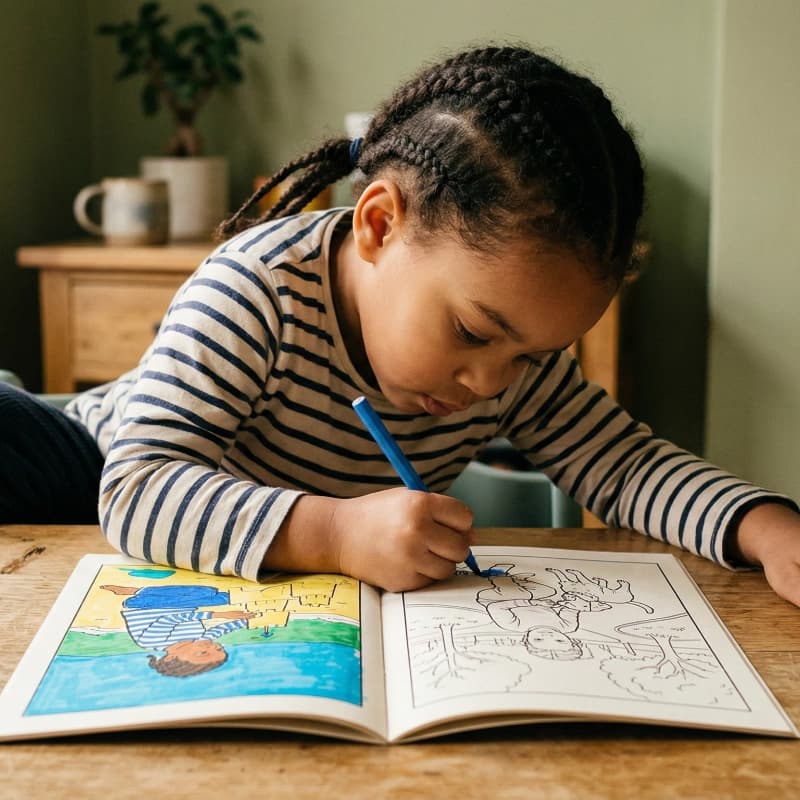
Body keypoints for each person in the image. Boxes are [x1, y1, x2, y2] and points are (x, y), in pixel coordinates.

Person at [1, 45, 799, 607]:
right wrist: (336, 534)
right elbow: (139, 491)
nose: (493, 383)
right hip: (87, 464)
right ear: (380, 225)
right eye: (474, 333)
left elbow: (621, 466)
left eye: (535, 356)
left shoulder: (511, 360)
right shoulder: (255, 289)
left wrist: (766, 529)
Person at [100, 583, 254, 677]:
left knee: (207, 594)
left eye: (203, 653)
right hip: (181, 604)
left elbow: (173, 618)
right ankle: (139, 590)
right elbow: (223, 629)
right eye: (219, 649)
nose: (213, 646)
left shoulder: (149, 641)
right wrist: (253, 619)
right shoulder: (199, 640)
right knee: (222, 598)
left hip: (144, 604)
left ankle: (136, 591)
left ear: (170, 658)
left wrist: (219, 614)